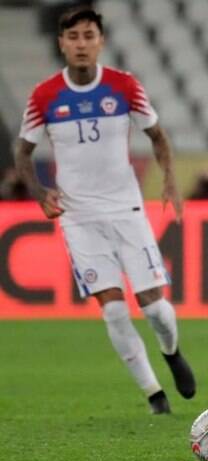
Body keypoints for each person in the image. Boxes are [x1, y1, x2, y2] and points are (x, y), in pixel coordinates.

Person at [13, 7, 195, 414]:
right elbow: (22, 152)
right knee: (113, 308)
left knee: (154, 306)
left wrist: (169, 181)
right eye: (73, 37)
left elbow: (158, 136)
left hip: (127, 209)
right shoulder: (44, 96)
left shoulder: (124, 86)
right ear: (61, 43)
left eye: (88, 36)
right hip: (79, 217)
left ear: (101, 41)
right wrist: (39, 190)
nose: (81, 44)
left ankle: (171, 351)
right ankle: (154, 395)